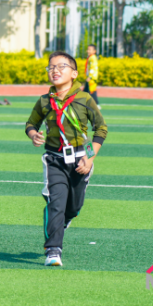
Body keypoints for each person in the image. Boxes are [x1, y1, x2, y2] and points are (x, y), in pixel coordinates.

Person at [25, 51, 107, 267]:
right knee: (56, 203)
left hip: (81, 159)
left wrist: (89, 158)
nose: (55, 70)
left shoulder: (85, 99)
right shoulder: (44, 101)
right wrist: (33, 135)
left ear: (74, 73)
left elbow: (100, 129)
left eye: (61, 66)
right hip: (54, 159)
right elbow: (31, 124)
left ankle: (65, 220)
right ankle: (53, 250)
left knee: (74, 207)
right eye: (51, 67)